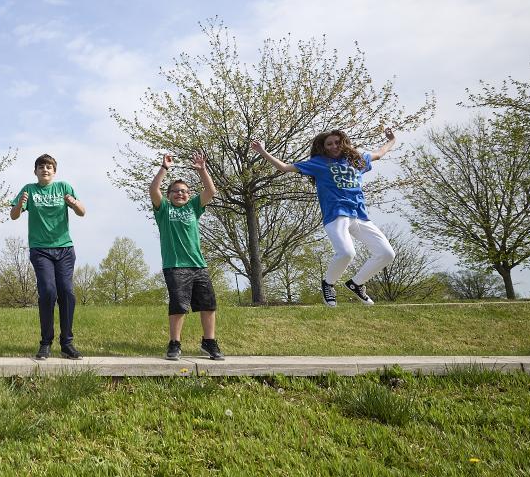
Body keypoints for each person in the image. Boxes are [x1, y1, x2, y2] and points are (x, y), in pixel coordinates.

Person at [250, 128, 397, 306]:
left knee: (386, 253)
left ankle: (356, 283)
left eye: (337, 142)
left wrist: (392, 140)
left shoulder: (356, 160)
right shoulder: (318, 163)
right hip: (336, 214)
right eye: (329, 144)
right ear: (323, 147)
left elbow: (379, 154)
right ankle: (328, 284)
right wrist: (262, 151)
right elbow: (284, 167)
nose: (334, 146)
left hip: (359, 215)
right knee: (347, 253)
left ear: (344, 143)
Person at [11, 154, 86, 360]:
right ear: (35, 171)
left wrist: (73, 202)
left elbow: (82, 212)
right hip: (40, 249)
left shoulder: (64, 187)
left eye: (49, 167)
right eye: (41, 167)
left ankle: (67, 343)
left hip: (64, 249)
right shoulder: (29, 190)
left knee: (67, 293)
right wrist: (20, 204)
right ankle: (45, 343)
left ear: (54, 171)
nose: (45, 169)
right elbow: (14, 215)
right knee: (48, 292)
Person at [150, 152, 224, 361]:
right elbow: (153, 189)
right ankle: (174, 343)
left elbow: (210, 191)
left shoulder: (193, 207)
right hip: (175, 265)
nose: (180, 194)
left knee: (208, 304)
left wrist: (202, 170)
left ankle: (209, 342)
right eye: (175, 191)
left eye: (184, 191)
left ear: (189, 195)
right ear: (169, 195)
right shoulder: (163, 209)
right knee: (179, 306)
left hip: (198, 265)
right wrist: (164, 168)